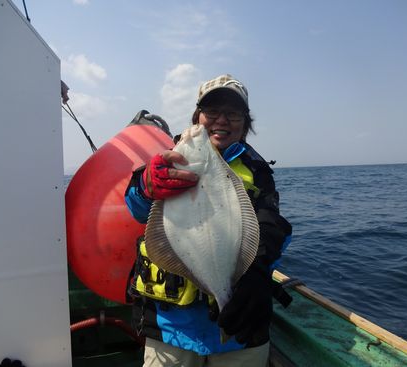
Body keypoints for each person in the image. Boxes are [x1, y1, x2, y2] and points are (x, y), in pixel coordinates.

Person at [125, 74, 292, 366]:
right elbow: (137, 209)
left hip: (241, 323)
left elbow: (271, 225)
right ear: (197, 116)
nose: (221, 120)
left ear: (245, 121)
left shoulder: (257, 171)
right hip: (172, 327)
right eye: (212, 111)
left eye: (232, 113)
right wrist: (145, 186)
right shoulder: (167, 161)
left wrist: (255, 270)